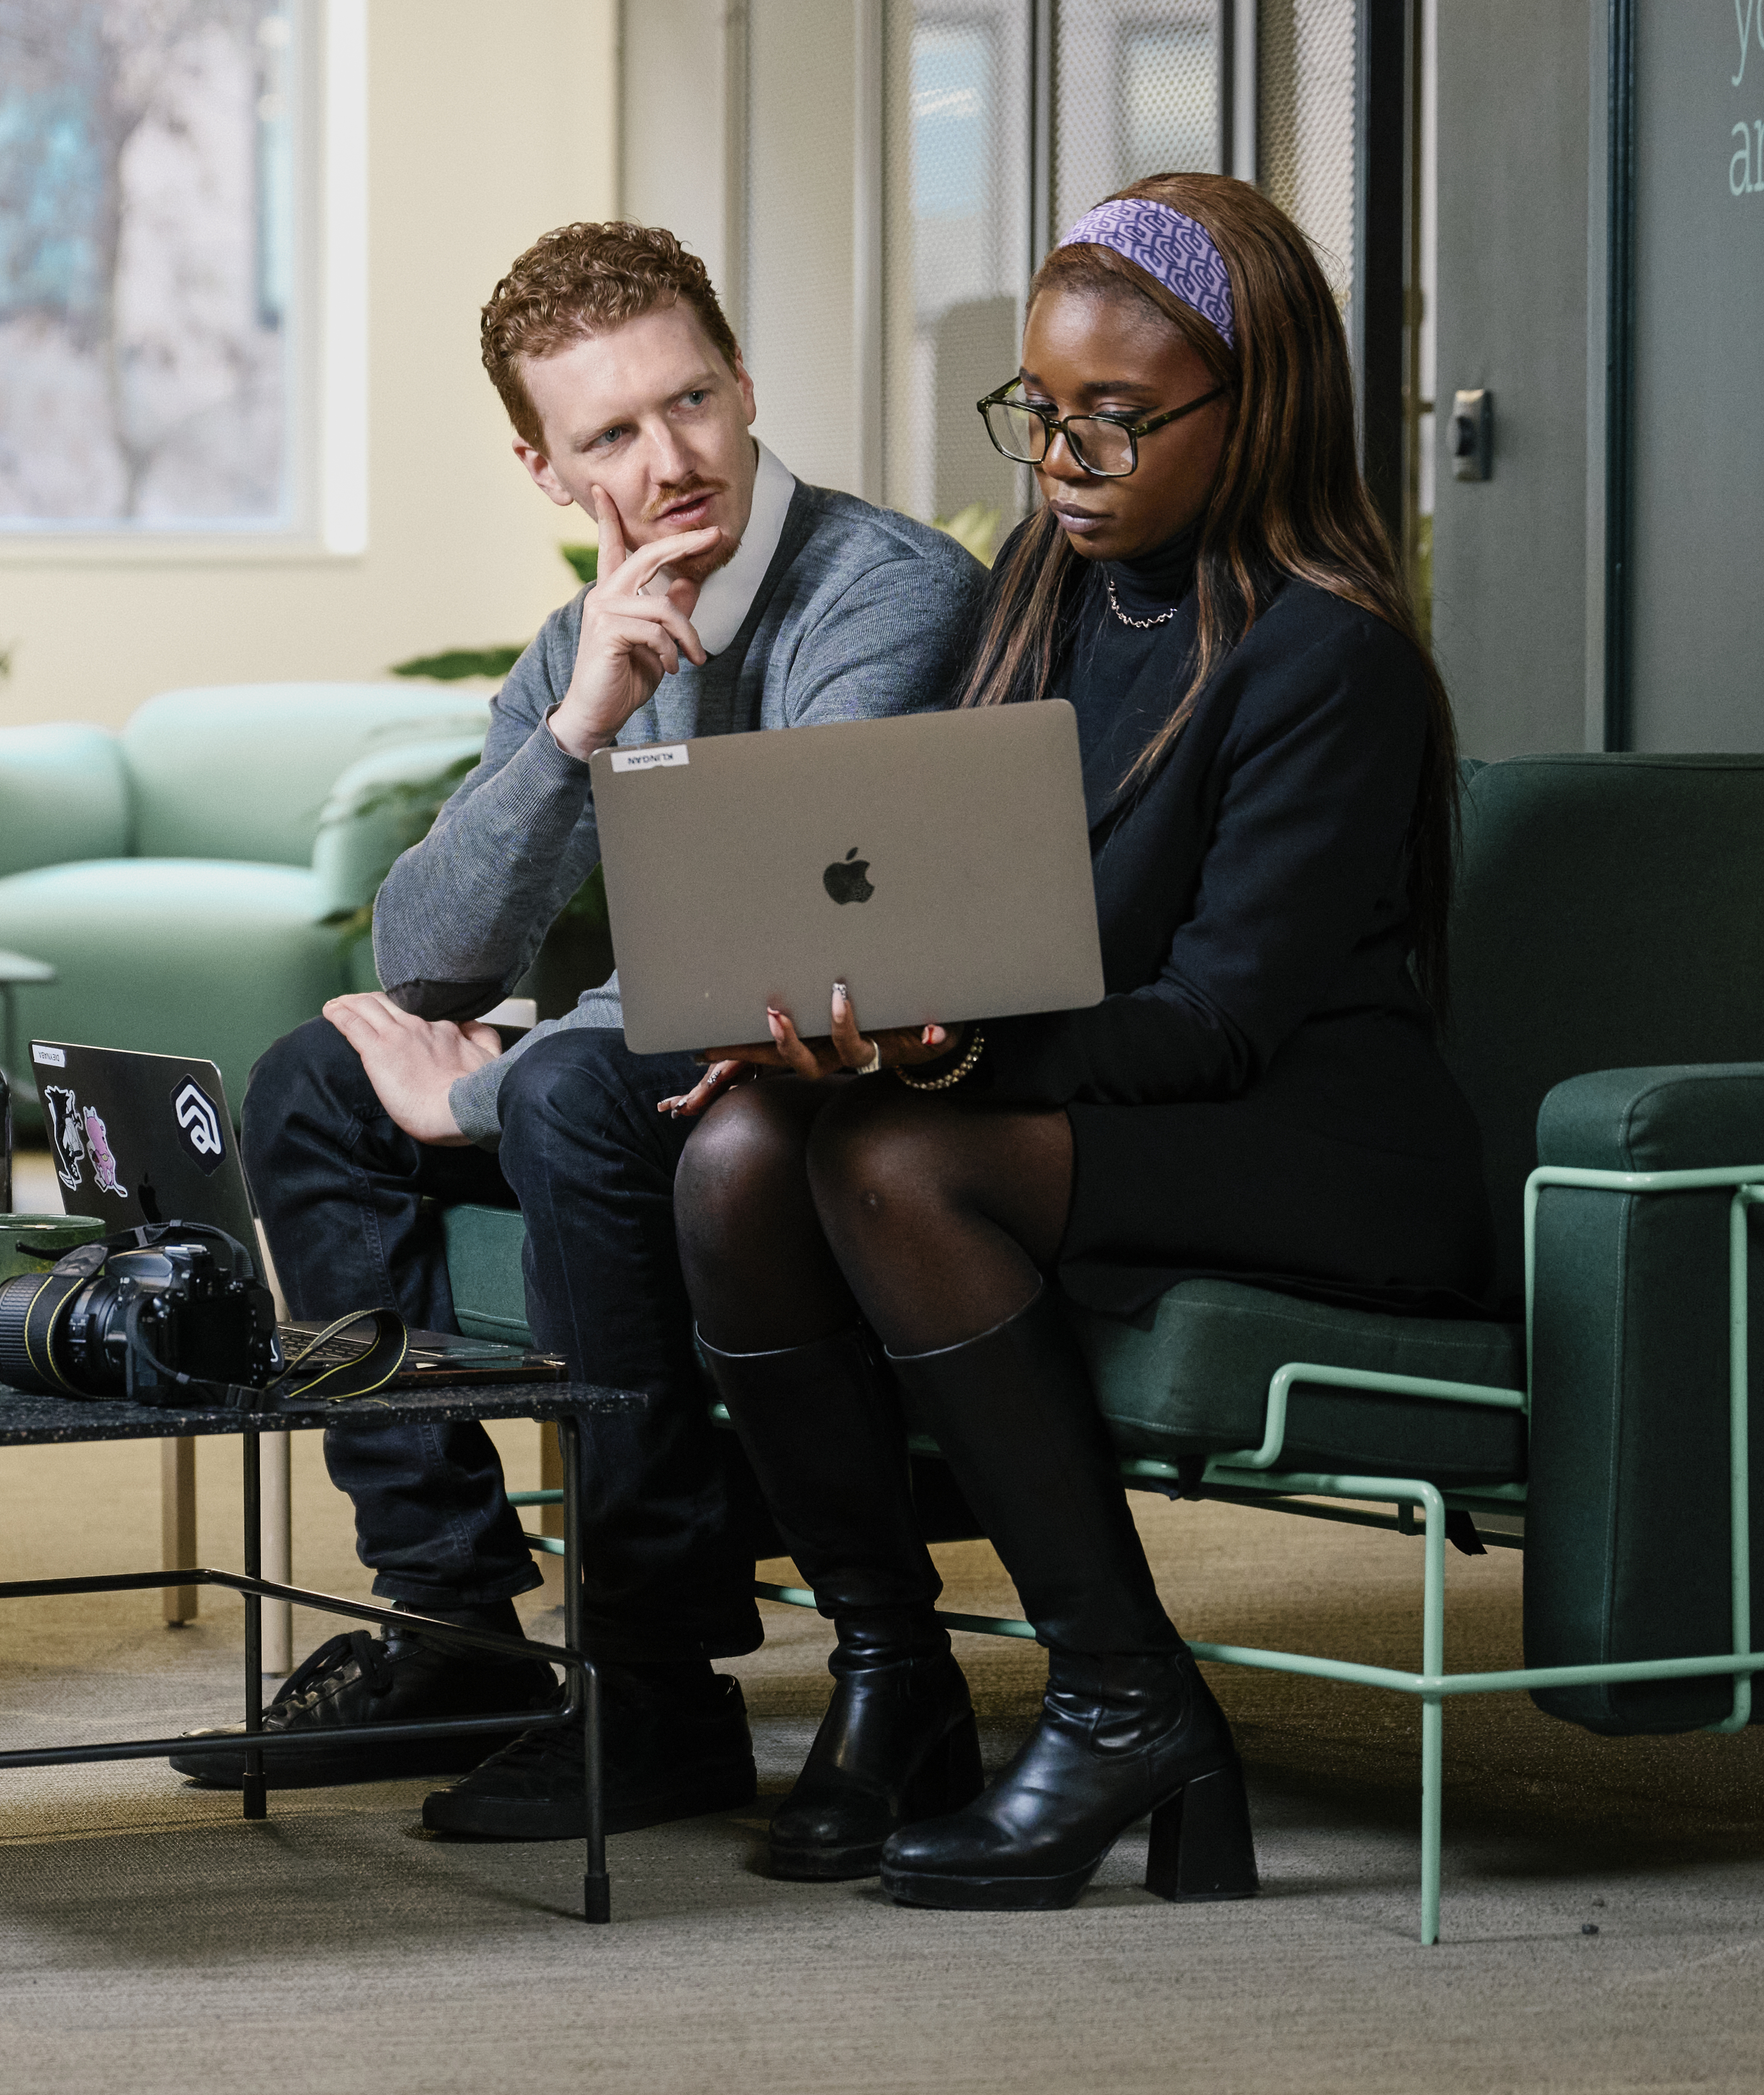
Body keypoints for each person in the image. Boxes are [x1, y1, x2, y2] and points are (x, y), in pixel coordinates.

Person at [670, 172, 1488, 1908]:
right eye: (1040, 413)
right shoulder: (1051, 583)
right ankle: (897, 1674)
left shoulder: (1331, 660)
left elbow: (1215, 1023)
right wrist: (848, 1001)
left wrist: (937, 1060)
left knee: (894, 1159)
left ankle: (1127, 1699)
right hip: (1099, 1094)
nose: (1061, 464)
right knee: (745, 1150)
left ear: (1251, 406)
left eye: (1116, 424)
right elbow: (967, 899)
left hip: (1318, 1145)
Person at [181, 223, 987, 1841]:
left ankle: (653, 1687)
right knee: (314, 1086)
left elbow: (778, 940)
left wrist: (471, 1102)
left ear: (747, 385)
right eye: (610, 433)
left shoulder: (886, 594)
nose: (671, 460)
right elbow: (423, 962)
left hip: (839, 1074)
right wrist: (575, 727)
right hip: (668, 1050)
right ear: (544, 466)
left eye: (691, 402)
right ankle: (456, 1622)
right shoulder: (584, 640)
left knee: (550, 1093)